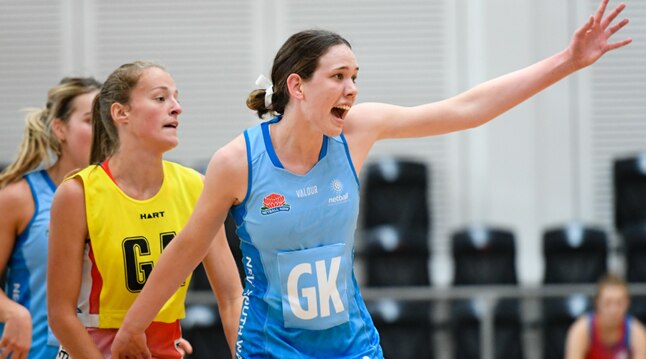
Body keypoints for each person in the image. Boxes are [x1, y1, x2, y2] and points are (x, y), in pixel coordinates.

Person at [112, 1, 632, 357]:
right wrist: (132, 326)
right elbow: (185, 248)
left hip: (351, 342)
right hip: (273, 345)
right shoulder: (239, 161)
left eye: (355, 77)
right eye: (338, 77)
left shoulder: (357, 131)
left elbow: (466, 109)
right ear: (297, 86)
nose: (352, 88)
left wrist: (567, 61)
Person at [47, 61, 242, 358]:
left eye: (176, 98)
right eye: (161, 98)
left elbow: (230, 296)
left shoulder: (196, 186)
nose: (176, 108)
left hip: (165, 348)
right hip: (92, 349)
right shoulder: (77, 193)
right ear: (121, 112)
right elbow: (60, 315)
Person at [0, 77, 101, 359]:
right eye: (91, 120)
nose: (103, 131)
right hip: (34, 351)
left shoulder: (121, 196)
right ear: (60, 129)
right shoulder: (19, 197)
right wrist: (11, 311)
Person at [565, 274, 646, 358]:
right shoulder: (581, 330)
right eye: (607, 303)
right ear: (597, 303)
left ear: (627, 303)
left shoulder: (637, 333)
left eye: (619, 303)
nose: (613, 310)